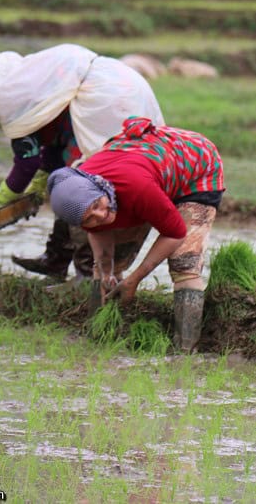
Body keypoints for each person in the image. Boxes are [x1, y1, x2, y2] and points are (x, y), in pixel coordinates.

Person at [0, 43, 165, 281]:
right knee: (67, 180)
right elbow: (53, 144)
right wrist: (39, 184)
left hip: (105, 101)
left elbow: (26, 163)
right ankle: (56, 259)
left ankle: (88, 274)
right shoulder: (29, 82)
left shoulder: (15, 99)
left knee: (83, 187)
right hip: (123, 87)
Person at [47, 116, 224, 352]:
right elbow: (98, 231)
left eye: (98, 206)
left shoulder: (134, 187)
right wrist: (107, 270)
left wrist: (135, 279)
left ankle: (185, 351)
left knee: (184, 263)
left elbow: (175, 233)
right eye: (89, 217)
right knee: (107, 268)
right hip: (150, 172)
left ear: (100, 188)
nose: (100, 216)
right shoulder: (80, 198)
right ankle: (99, 336)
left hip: (196, 167)